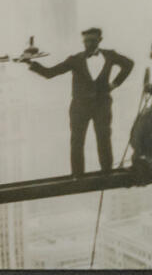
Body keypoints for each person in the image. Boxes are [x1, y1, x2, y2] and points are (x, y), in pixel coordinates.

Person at [25, 27, 136, 175]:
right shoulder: (75, 60)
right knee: (77, 141)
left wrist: (114, 84)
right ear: (83, 42)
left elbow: (129, 64)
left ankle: (107, 172)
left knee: (104, 138)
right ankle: (77, 176)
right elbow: (49, 73)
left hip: (102, 105)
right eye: (86, 41)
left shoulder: (110, 55)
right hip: (79, 107)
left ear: (100, 40)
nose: (89, 44)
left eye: (93, 41)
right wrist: (30, 64)